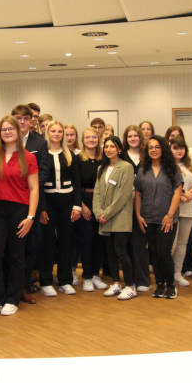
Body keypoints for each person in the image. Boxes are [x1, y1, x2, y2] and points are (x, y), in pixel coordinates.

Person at [0, 116, 39, 316]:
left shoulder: (29, 157)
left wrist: (31, 217)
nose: (7, 132)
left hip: (20, 210)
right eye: (3, 129)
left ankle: (12, 298)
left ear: (18, 131)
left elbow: (34, 189)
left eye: (10, 129)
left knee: (16, 255)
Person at [134, 135, 183, 299]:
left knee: (164, 252)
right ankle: (160, 284)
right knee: (154, 253)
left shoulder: (172, 169)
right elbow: (138, 194)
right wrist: (139, 215)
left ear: (163, 149)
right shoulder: (142, 170)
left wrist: (169, 215)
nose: (153, 150)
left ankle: (170, 285)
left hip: (167, 219)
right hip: (148, 218)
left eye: (157, 147)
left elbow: (177, 193)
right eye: (150, 148)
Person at [38, 121, 81, 296]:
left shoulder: (70, 154)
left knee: (66, 241)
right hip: (48, 201)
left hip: (67, 201)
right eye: (53, 131)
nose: (56, 134)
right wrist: (41, 208)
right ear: (47, 133)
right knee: (47, 242)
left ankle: (65, 280)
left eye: (59, 131)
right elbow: (38, 184)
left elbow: (77, 182)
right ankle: (46, 281)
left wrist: (77, 205)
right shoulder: (42, 154)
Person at [12, 104, 47, 300]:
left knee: (31, 246)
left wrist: (28, 189)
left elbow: (43, 173)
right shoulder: (7, 140)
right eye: (18, 118)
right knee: (13, 246)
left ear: (31, 121)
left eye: (25, 118)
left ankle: (25, 284)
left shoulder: (39, 143)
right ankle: (13, 285)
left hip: (32, 201)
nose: (22, 122)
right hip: (11, 201)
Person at [93, 136, 135, 299]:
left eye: (112, 146)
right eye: (106, 146)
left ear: (119, 149)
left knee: (121, 252)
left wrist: (107, 213)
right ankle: (116, 283)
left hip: (119, 216)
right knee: (110, 253)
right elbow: (97, 192)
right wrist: (98, 213)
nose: (109, 149)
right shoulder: (101, 169)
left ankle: (130, 285)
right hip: (104, 217)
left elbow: (123, 195)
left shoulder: (126, 167)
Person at [73, 128, 104, 292]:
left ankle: (95, 275)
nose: (91, 139)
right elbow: (76, 184)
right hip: (84, 201)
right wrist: (81, 205)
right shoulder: (78, 159)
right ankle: (86, 277)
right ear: (83, 140)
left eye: (94, 137)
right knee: (86, 241)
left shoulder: (104, 159)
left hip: (101, 202)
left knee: (99, 240)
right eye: (88, 137)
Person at [122, 124, 151, 291]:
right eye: (129, 136)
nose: (133, 139)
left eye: (135, 136)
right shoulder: (121, 156)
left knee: (140, 243)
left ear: (140, 138)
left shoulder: (147, 156)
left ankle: (143, 280)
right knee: (125, 244)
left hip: (143, 204)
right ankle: (129, 280)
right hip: (124, 204)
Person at [169, 137, 192, 287]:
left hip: (188, 208)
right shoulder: (167, 166)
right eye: (175, 148)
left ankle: (177, 273)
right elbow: (166, 187)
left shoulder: (190, 166)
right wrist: (180, 195)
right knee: (172, 245)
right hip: (173, 208)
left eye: (181, 148)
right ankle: (167, 274)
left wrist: (191, 193)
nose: (179, 150)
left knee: (182, 244)